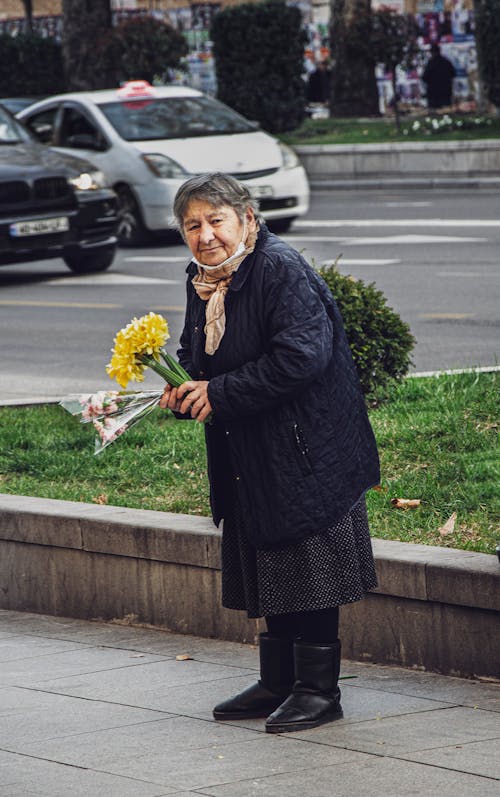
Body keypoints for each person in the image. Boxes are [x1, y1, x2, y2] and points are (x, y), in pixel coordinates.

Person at [159, 173, 380, 734]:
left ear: (247, 220)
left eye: (216, 221)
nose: (205, 235)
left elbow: (300, 358)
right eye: (193, 225)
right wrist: (184, 386)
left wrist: (219, 392)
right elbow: (201, 350)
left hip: (304, 449)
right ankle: (279, 680)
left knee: (306, 563)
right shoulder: (205, 280)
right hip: (252, 449)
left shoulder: (279, 268)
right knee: (271, 560)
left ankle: (318, 690)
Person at [422, 43, 456, 109]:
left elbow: (424, 77)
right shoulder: (447, 62)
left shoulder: (430, 63)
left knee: (434, 114)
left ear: (431, 52)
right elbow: (453, 75)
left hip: (433, 94)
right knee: (446, 112)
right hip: (446, 93)